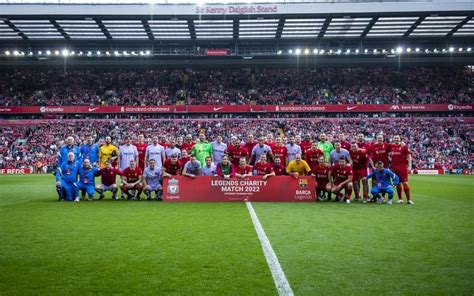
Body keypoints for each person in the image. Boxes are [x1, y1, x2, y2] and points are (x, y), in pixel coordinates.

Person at [390, 135, 413, 204]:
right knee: (397, 183)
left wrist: (409, 166)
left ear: (400, 139)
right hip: (394, 167)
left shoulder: (404, 146)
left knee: (405, 182)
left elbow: (409, 156)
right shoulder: (391, 146)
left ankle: (409, 199)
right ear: (393, 139)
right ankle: (400, 199)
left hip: (402, 167)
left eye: (397, 138)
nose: (396, 139)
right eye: (395, 138)